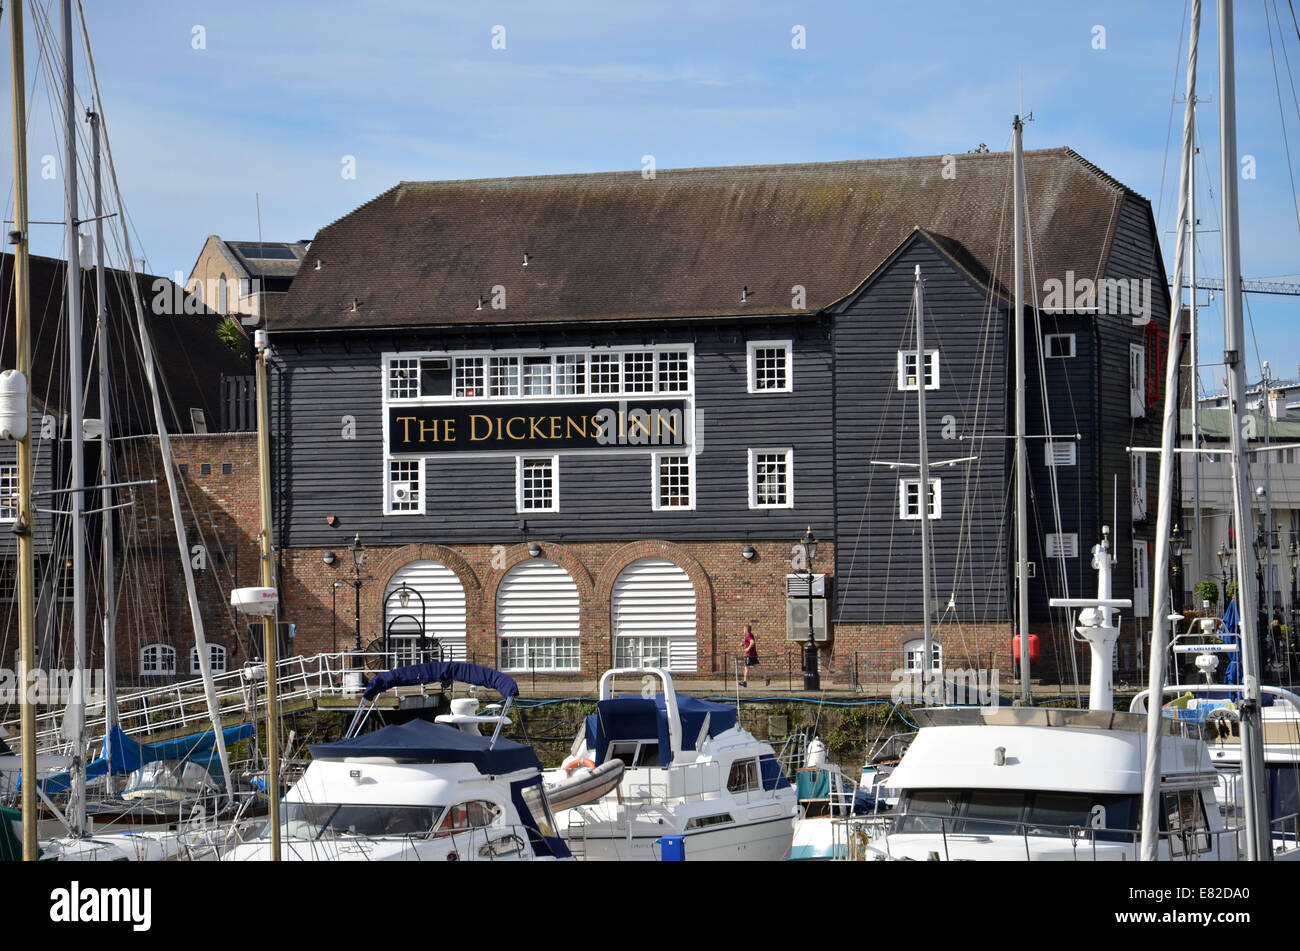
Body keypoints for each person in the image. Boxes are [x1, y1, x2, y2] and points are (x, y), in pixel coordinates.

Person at [740, 623, 759, 688]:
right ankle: (766, 678)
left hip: (750, 655)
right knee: (757, 667)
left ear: (746, 630)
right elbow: (750, 643)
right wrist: (744, 645)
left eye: (743, 629)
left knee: (746, 667)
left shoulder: (748, 635)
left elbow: (752, 642)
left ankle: (744, 682)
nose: (743, 630)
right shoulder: (750, 635)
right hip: (753, 654)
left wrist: (747, 648)